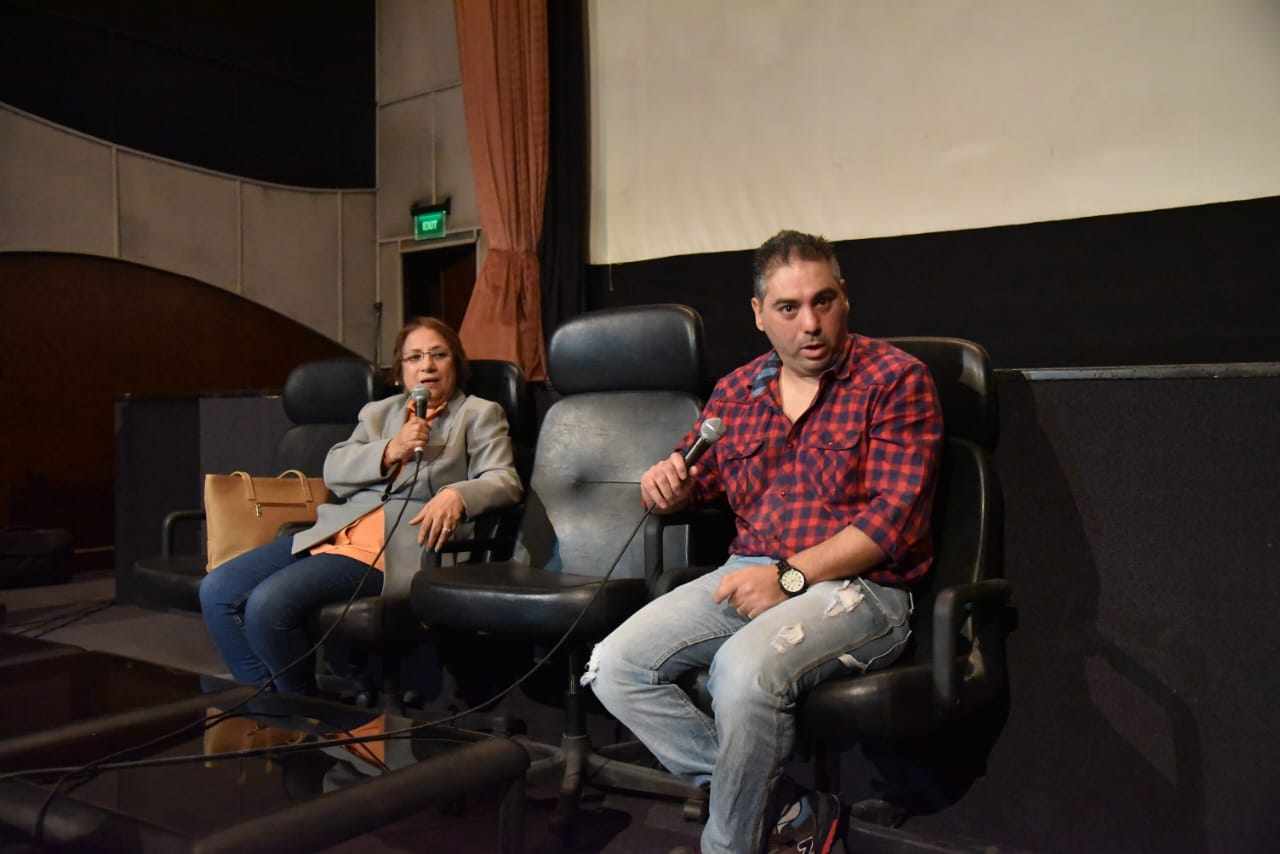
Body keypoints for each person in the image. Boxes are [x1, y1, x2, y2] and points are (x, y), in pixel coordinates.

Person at [585, 231, 944, 853]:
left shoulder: (895, 380)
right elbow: (692, 478)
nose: (811, 324)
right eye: (788, 307)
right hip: (752, 571)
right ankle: (789, 810)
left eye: (823, 301)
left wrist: (787, 577)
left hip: (860, 590)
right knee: (614, 667)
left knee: (741, 671)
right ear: (758, 314)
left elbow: (894, 522)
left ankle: (728, 844)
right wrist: (666, 485)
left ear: (844, 298)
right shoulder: (736, 392)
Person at [199, 316, 523, 694]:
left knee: (267, 605)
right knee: (217, 590)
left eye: (439, 355)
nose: (427, 366)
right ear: (400, 373)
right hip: (337, 531)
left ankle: (302, 715)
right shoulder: (378, 413)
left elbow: (504, 480)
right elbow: (335, 469)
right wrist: (390, 450)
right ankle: (269, 707)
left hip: (402, 546)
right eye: (414, 357)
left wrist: (457, 494)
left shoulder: (479, 413)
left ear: (456, 364)